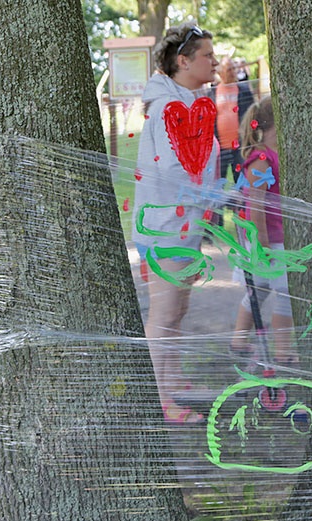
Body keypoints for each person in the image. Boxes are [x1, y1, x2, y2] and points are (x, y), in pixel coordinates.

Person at [132, 22, 219, 424]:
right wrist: (213, 193)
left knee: (177, 310)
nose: (214, 61)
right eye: (206, 55)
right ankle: (162, 397)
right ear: (183, 61)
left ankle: (171, 378)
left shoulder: (188, 104)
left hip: (185, 225)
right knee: (164, 315)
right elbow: (174, 169)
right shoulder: (171, 109)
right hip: (167, 228)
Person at [230, 96, 296, 365]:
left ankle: (239, 340)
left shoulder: (273, 156)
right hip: (269, 241)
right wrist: (263, 245)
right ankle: (282, 352)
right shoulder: (261, 160)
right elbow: (255, 207)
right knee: (286, 296)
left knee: (259, 291)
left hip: (275, 239)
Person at [213, 57, 255, 181]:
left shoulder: (244, 91)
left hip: (240, 147)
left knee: (242, 181)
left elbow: (251, 115)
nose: (232, 72)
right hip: (221, 148)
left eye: (233, 69)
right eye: (228, 69)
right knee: (218, 183)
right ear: (220, 73)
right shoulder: (213, 92)